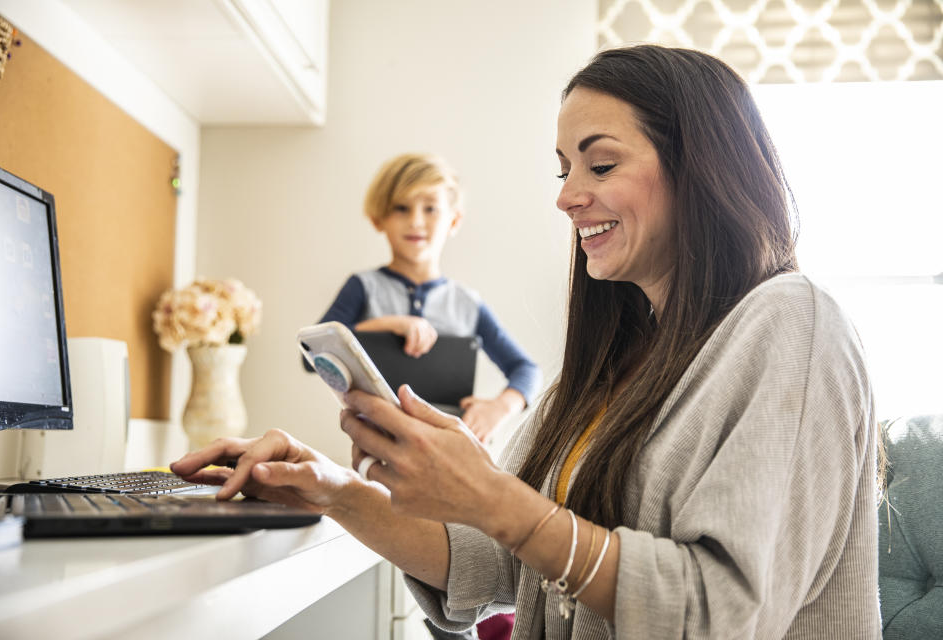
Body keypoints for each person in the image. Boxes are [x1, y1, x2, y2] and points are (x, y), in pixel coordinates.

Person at [172, 45, 881, 638]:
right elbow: (497, 561)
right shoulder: (620, 361)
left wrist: (493, 498)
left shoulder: (793, 322)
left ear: (702, 167)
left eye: (599, 165)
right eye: (563, 168)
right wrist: (332, 490)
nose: (567, 195)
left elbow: (720, 613)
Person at [318, 152, 541, 443]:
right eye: (401, 208)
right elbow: (314, 353)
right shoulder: (362, 286)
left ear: (454, 221)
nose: (415, 221)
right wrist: (388, 325)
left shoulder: (467, 303)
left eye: (431, 209)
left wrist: (498, 409)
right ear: (378, 219)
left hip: (451, 451)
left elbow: (526, 369)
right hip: (377, 448)